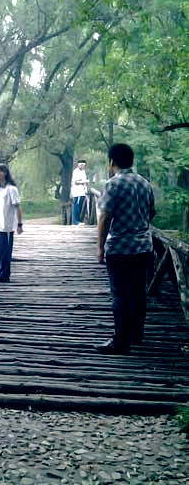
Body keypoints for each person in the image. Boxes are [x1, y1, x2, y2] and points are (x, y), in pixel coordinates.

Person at [95, 143, 155, 355]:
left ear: (112, 162)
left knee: (120, 294)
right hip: (143, 247)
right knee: (138, 293)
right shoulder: (144, 183)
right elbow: (151, 212)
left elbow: (104, 216)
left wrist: (100, 247)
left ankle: (120, 341)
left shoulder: (113, 184)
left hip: (119, 247)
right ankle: (136, 334)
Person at [0, 164, 23, 283]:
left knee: (5, 252)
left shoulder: (11, 189)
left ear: (5, 173)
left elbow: (17, 207)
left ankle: (4, 275)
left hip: (6, 227)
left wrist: (19, 224)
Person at [71, 159, 89, 225]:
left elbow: (83, 180)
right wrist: (84, 182)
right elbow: (75, 182)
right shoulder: (76, 172)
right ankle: (75, 221)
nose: (83, 166)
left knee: (80, 206)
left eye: (84, 165)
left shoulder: (83, 171)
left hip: (82, 191)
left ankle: (78, 220)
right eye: (82, 165)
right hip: (77, 192)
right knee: (77, 206)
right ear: (79, 165)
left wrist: (85, 183)